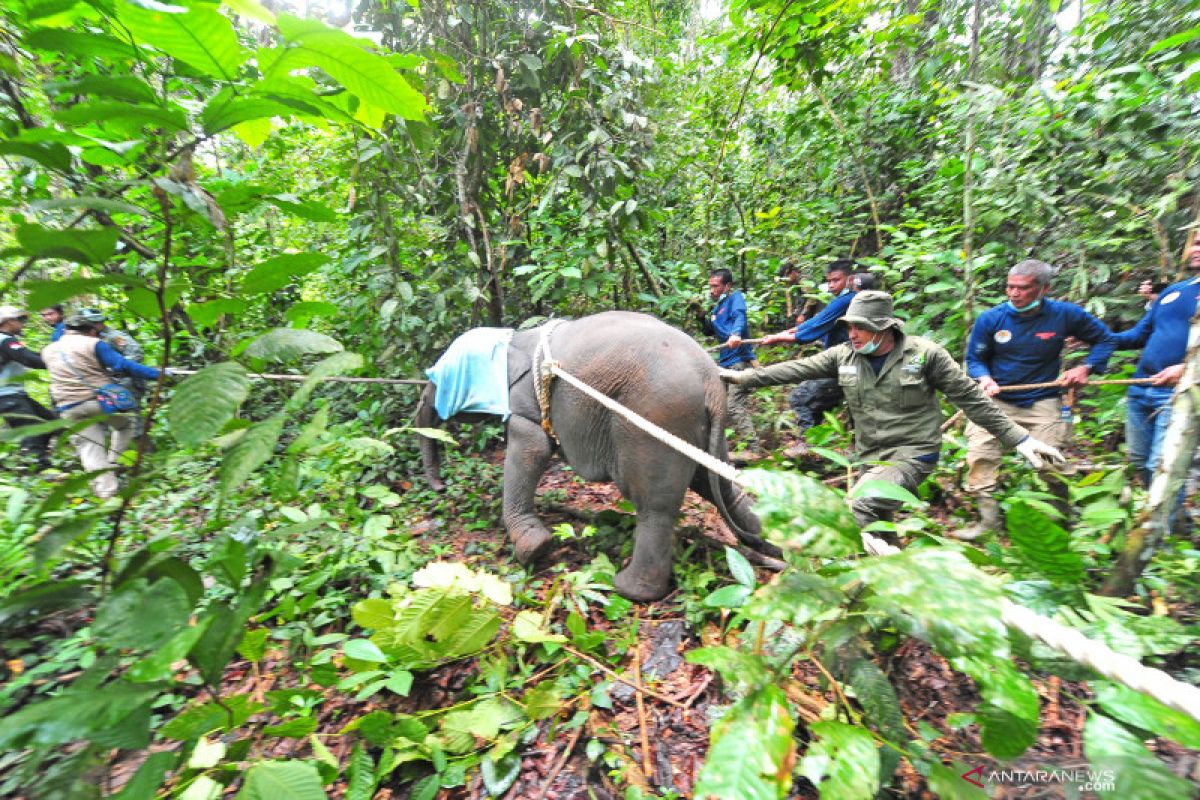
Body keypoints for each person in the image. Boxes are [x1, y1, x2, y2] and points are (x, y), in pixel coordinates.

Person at [720, 291, 1065, 535]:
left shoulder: (925, 355)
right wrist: (742, 377)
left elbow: (972, 399)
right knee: (879, 521)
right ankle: (893, 585)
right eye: (849, 326)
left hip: (913, 454)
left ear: (885, 327)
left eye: (860, 327)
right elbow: (794, 369)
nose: (852, 333)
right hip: (870, 455)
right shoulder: (843, 355)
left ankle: (845, 582)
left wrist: (1021, 440)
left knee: (861, 505)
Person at [959, 259, 1116, 538]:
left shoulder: (1064, 315)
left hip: (1043, 397)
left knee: (1050, 461)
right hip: (998, 396)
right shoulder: (992, 318)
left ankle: (1062, 519)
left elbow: (1105, 339)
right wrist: (985, 378)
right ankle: (988, 523)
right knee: (981, 454)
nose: (1014, 294)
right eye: (1010, 287)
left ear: (1044, 288)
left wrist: (1086, 367)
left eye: (1023, 288)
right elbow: (975, 358)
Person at [1109, 243, 1200, 527]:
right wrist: (1094, 336)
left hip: (1181, 393)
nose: (1197, 248)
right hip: (1142, 386)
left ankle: (1159, 541)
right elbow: (1139, 335)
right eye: (1196, 242)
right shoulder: (1176, 291)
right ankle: (1174, 521)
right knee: (1139, 460)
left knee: (1161, 465)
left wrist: (1188, 369)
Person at [42, 314, 166, 499]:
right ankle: (113, 463)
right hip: (100, 401)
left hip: (68, 406)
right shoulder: (93, 344)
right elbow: (122, 364)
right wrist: (157, 374)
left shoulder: (48, 350)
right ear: (92, 330)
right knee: (125, 424)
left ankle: (107, 495)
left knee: (89, 449)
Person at [747, 260, 858, 457]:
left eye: (836, 280)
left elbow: (818, 325)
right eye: (829, 281)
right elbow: (818, 320)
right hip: (844, 363)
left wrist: (781, 337)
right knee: (844, 404)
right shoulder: (843, 300)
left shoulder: (847, 300)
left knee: (800, 397)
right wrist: (792, 330)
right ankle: (818, 446)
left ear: (849, 279)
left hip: (845, 364)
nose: (831, 285)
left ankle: (807, 445)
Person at [698, 268, 760, 457]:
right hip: (724, 363)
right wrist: (702, 318)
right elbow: (711, 332)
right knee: (713, 404)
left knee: (734, 405)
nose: (712, 290)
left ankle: (755, 449)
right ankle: (713, 448)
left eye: (716, 286)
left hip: (738, 360)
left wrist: (736, 334)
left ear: (728, 286)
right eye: (710, 286)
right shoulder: (718, 308)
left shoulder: (735, 299)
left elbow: (740, 316)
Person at [0, 306, 56, 471]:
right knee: (31, 428)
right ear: (8, 321)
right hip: (6, 395)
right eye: (20, 320)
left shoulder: (7, 340)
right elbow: (28, 359)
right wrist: (59, 362)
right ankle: (35, 465)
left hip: (15, 394)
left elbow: (30, 355)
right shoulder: (5, 340)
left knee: (49, 423)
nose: (23, 324)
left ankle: (36, 459)